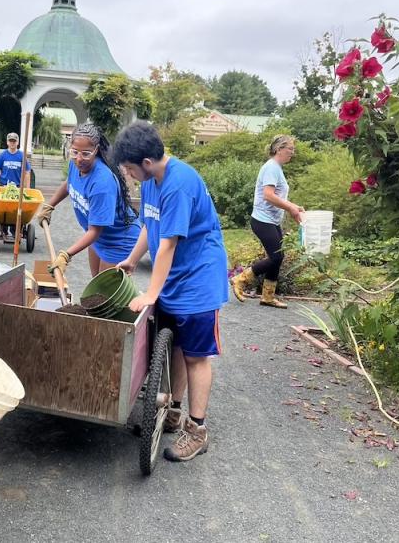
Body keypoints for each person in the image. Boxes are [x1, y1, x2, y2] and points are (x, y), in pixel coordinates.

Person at [114, 121, 228, 462]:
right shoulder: (152, 182)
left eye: (130, 169)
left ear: (146, 162)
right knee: (176, 346)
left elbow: (167, 243)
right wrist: (132, 260)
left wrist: (151, 293)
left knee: (195, 355)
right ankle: (175, 410)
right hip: (175, 273)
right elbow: (151, 224)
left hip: (198, 277)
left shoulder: (178, 185)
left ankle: (198, 430)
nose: (130, 176)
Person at [35, 123, 140, 277]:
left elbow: (95, 231)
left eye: (86, 153)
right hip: (99, 237)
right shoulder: (75, 164)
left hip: (119, 240)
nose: (79, 159)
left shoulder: (102, 183)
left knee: (105, 293)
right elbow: (69, 183)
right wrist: (49, 205)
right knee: (96, 285)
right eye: (75, 152)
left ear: (96, 150)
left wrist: (66, 255)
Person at [230, 134, 304, 308]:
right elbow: (268, 195)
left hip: (271, 220)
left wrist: (293, 206)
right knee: (276, 256)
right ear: (279, 149)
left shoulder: (276, 168)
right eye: (290, 149)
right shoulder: (271, 167)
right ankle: (240, 279)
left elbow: (277, 196)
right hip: (263, 220)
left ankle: (268, 297)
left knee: (278, 256)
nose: (292, 153)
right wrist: (291, 208)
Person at [0, 132, 32, 242]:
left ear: (17, 142)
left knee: (16, 211)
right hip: (3, 188)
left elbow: (27, 172)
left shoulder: (21, 156)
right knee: (2, 210)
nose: (12, 143)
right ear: (7, 142)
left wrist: (27, 189)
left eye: (14, 141)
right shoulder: (3, 155)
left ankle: (15, 230)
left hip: (17, 188)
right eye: (10, 141)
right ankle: (3, 229)